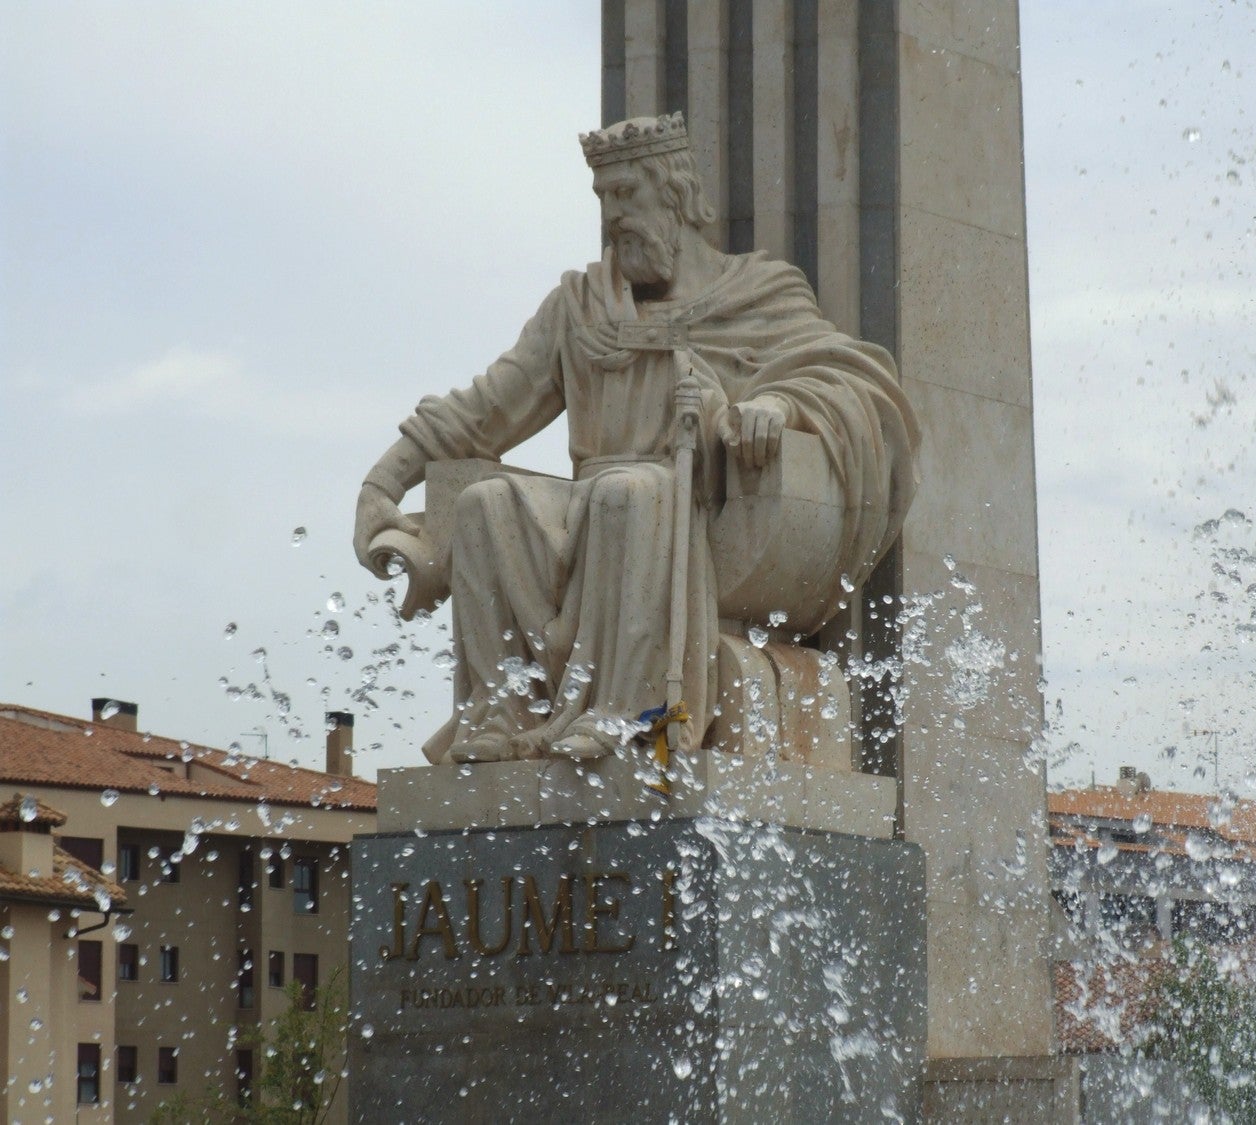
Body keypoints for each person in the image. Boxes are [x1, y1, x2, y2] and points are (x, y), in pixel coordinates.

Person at [353, 113, 917, 764]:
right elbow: (482, 411)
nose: (613, 216)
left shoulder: (756, 292)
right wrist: (384, 482)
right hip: (593, 506)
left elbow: (851, 377)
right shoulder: (580, 305)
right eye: (603, 198)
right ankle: (500, 711)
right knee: (486, 502)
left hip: (688, 502)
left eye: (626, 194)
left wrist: (778, 404)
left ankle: (629, 714)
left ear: (675, 195)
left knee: (626, 494)